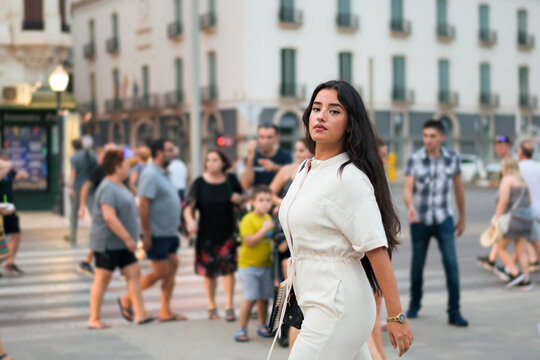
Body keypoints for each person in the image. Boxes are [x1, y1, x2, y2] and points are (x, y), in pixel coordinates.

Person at [275, 80, 413, 358]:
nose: (322, 116)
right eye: (316, 108)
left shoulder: (348, 178)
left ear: (350, 124)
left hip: (337, 304)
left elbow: (376, 249)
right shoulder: (307, 168)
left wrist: (396, 316)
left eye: (334, 111)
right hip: (313, 297)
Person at [403, 119, 468, 327]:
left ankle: (454, 311)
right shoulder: (415, 159)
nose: (428, 140)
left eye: (432, 136)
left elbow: (458, 189)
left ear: (442, 137)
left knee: (451, 263)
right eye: (425, 136)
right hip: (420, 219)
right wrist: (410, 205)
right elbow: (407, 188)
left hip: (443, 219)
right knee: (417, 265)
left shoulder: (452, 159)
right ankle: (414, 304)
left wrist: (462, 217)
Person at [119, 139, 186, 322]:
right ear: (159, 153)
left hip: (170, 232)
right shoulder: (150, 174)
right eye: (170, 150)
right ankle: (127, 298)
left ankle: (166, 311)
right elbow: (144, 205)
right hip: (156, 233)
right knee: (161, 271)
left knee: (172, 268)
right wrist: (147, 233)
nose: (174, 153)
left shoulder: (165, 173)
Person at [88, 150, 154, 329]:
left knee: (134, 274)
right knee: (102, 279)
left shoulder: (120, 186)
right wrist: (127, 238)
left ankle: (140, 313)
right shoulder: (107, 187)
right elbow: (109, 217)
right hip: (108, 243)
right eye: (125, 165)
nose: (128, 168)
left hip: (125, 243)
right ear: (117, 167)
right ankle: (94, 318)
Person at [183, 149, 244, 321]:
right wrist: (190, 221)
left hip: (227, 232)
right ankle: (211, 305)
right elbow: (189, 206)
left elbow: (244, 196)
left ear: (223, 163)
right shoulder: (200, 183)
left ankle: (229, 305)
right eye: (208, 160)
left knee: (228, 270)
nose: (211, 163)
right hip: (206, 234)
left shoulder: (230, 180)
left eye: (215, 160)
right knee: (209, 271)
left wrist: (238, 199)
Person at [268, 139, 312, 349]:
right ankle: (280, 329)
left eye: (302, 150)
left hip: (302, 232)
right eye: (296, 149)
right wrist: (285, 203)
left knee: (299, 283)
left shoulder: (314, 170)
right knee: (283, 283)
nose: (298, 153)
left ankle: (296, 327)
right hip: (284, 230)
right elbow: (270, 193)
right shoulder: (287, 170)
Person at [234, 185, 275, 342]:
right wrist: (264, 230)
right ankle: (241, 328)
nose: (265, 204)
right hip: (248, 266)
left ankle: (261, 325)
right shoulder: (248, 219)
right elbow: (249, 242)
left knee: (264, 297)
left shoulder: (268, 218)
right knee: (250, 297)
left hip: (265, 265)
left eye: (268, 201)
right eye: (261, 200)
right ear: (252, 202)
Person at [490, 157, 533, 289]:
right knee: (521, 251)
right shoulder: (522, 181)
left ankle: (514, 273)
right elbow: (529, 201)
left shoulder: (507, 180)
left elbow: (503, 202)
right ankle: (526, 281)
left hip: (514, 220)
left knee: (500, 247)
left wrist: (495, 218)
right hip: (527, 219)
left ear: (505, 167)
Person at [77, 143, 118, 276]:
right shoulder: (100, 169)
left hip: (113, 206)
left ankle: (87, 261)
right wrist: (82, 206)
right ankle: (88, 261)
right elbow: (85, 186)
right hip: (103, 207)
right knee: (104, 235)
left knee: (107, 235)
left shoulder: (116, 168)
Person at [0, 150, 29, 276]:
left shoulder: (8, 170)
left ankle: (10, 263)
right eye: (4, 158)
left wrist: (23, 174)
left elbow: (17, 174)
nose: (7, 161)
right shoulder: (4, 169)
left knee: (16, 234)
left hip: (9, 207)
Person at [240, 124, 292, 190]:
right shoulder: (253, 157)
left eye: (269, 137)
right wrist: (250, 156)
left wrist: (274, 167)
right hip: (258, 198)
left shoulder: (285, 155)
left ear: (276, 138)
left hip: (279, 198)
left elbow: (291, 177)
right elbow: (246, 185)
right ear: (258, 138)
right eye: (262, 137)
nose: (265, 141)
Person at [68, 138, 97, 246]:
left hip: (77, 186)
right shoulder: (91, 155)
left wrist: (70, 187)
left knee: (74, 213)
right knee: (93, 212)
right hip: (90, 186)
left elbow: (73, 172)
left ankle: (73, 238)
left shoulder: (74, 157)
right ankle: (96, 236)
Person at [518, 141, 540, 269]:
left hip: (527, 209)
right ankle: (532, 260)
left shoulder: (519, 168)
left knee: (522, 238)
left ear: (520, 153)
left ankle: (515, 270)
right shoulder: (538, 167)